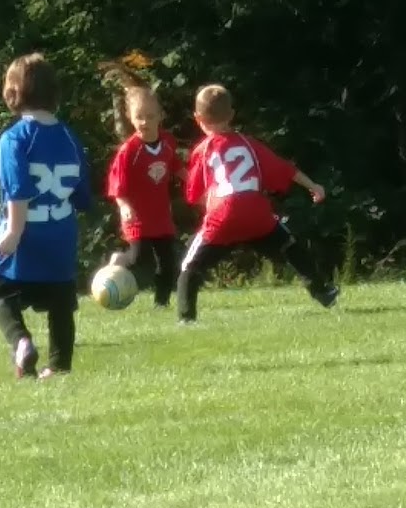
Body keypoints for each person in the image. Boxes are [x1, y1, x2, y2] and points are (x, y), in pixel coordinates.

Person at [176, 84, 338, 323]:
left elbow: (193, 194)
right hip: (257, 215)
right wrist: (313, 186)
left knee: (190, 266)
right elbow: (284, 168)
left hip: (223, 217)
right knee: (290, 246)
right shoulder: (248, 144)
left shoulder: (203, 149)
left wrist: (212, 206)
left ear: (197, 118)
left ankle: (186, 318)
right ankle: (322, 291)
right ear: (231, 115)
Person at [0, 53, 93, 379]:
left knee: (2, 295)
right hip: (60, 232)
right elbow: (81, 192)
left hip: (26, 232)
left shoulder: (14, 138)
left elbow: (18, 189)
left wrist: (14, 231)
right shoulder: (69, 136)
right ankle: (60, 365)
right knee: (61, 303)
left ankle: (21, 343)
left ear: (13, 92)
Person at [100, 63, 182, 309]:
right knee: (138, 260)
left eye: (150, 116)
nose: (144, 122)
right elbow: (117, 185)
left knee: (168, 262)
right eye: (139, 117)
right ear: (130, 117)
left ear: (160, 116)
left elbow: (176, 166)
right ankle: (119, 260)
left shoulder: (167, 142)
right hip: (137, 217)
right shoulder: (129, 151)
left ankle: (161, 303)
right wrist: (124, 206)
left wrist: (196, 185)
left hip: (161, 216)